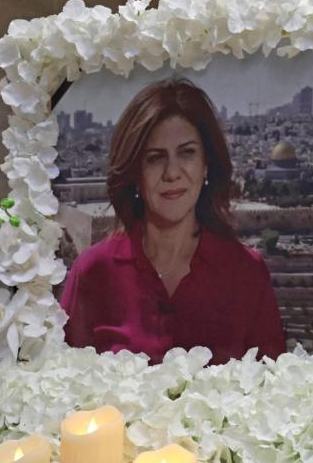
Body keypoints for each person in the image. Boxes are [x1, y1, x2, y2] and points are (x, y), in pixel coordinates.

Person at [61, 77, 286, 365]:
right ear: (135, 173)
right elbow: (63, 384)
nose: (172, 173)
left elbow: (274, 390)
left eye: (187, 153)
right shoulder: (94, 271)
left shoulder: (245, 273)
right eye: (155, 158)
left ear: (206, 164)